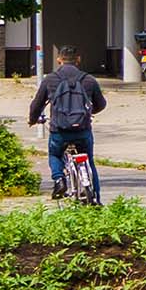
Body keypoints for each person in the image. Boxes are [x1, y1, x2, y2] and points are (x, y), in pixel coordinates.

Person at [32, 47, 107, 204]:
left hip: (59, 130)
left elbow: (36, 105)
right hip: (82, 129)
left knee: (54, 154)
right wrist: (88, 112)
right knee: (90, 161)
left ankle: (59, 180)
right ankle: (97, 199)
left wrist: (32, 120)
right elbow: (101, 104)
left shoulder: (50, 79)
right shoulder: (89, 80)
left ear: (59, 60)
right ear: (78, 59)